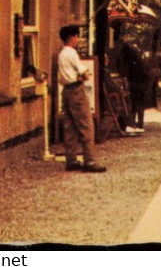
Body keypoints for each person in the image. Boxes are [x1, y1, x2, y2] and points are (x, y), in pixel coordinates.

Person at [57, 25, 106, 172]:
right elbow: (84, 73)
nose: (77, 39)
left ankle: (71, 160)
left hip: (66, 91)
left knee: (70, 126)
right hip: (77, 90)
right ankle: (90, 161)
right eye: (76, 37)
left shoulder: (61, 54)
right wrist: (82, 76)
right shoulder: (72, 53)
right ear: (72, 38)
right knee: (86, 125)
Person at [117, 34, 150, 134]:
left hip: (136, 80)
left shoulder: (127, 55)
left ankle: (136, 123)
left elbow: (125, 69)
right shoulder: (135, 54)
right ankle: (139, 123)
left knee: (135, 102)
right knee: (139, 102)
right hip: (141, 79)